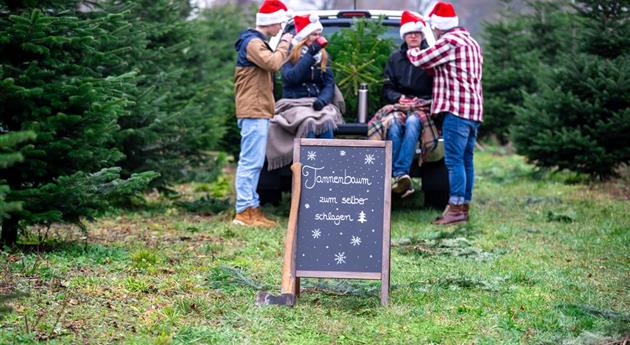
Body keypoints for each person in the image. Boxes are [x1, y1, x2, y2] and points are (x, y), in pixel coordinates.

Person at [406, 2, 484, 225]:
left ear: (439, 26)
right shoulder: (472, 42)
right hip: (473, 111)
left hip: (456, 111)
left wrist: (412, 49)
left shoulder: (450, 42)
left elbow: (420, 60)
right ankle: (464, 205)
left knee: (454, 161)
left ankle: (456, 209)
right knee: (467, 160)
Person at [232, 0, 293, 228]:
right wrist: (286, 40)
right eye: (281, 25)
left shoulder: (256, 42)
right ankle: (243, 212)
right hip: (252, 110)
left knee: (255, 162)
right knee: (250, 162)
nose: (281, 30)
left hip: (258, 110)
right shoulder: (252, 43)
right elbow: (274, 63)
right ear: (272, 22)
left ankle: (252, 208)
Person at [367, 11, 437, 199]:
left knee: (414, 122)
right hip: (399, 106)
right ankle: (401, 177)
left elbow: (438, 86)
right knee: (394, 124)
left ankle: (398, 173)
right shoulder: (394, 58)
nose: (413, 36)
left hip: (423, 107)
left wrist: (421, 100)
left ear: (422, 35)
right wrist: (399, 98)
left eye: (417, 33)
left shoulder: (431, 56)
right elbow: (387, 88)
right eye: (409, 33)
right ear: (404, 36)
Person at [265, 14, 344, 171]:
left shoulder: (323, 56)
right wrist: (309, 56)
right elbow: (291, 78)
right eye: (314, 34)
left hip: (316, 102)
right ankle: (308, 170)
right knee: (308, 121)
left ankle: (327, 169)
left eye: (319, 34)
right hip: (294, 103)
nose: (318, 37)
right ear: (304, 36)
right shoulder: (289, 54)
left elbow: (329, 83)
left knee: (326, 120)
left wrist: (323, 99)